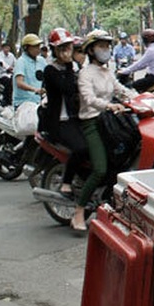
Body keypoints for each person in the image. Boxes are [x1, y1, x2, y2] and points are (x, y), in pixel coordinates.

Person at [74, 29, 134, 233]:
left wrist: (141, 97)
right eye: (101, 46)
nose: (106, 50)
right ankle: (79, 211)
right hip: (92, 123)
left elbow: (120, 90)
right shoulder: (85, 73)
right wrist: (109, 106)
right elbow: (89, 99)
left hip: (109, 121)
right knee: (100, 169)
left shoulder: (107, 71)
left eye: (107, 46)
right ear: (91, 50)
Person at [42, 28, 89, 202]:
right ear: (55, 49)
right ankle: (67, 183)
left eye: (68, 46)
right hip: (60, 122)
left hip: (78, 117)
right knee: (81, 148)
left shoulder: (76, 67)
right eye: (62, 47)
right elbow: (68, 89)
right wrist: (69, 65)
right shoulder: (50, 70)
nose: (66, 51)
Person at [12, 33, 44, 108]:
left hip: (40, 101)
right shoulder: (21, 62)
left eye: (38, 46)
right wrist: (35, 90)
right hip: (24, 102)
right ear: (26, 48)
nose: (38, 49)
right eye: (35, 46)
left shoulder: (41, 60)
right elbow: (19, 83)